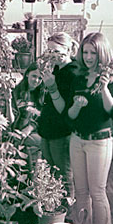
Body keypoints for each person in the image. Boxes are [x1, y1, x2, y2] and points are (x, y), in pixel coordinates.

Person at [66, 32, 113, 224]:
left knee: (97, 192)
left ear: (102, 54)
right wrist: (76, 107)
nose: (88, 57)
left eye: (93, 53)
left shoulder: (112, 78)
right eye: (85, 52)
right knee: (81, 192)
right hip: (77, 140)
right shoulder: (78, 77)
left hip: (100, 142)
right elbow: (69, 116)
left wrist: (104, 87)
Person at [37, 32, 79, 205]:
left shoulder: (73, 73)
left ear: (68, 50)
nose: (52, 55)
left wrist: (52, 88)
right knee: (50, 172)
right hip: (48, 129)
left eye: (56, 51)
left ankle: (67, 215)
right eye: (49, 51)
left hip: (61, 132)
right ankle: (52, 210)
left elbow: (66, 111)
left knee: (63, 174)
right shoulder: (56, 68)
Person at [12, 62, 45, 165]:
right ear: (27, 74)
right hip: (17, 131)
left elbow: (41, 117)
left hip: (32, 131)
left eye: (40, 78)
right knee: (43, 144)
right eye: (34, 76)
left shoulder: (41, 95)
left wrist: (29, 129)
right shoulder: (16, 92)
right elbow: (11, 115)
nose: (36, 80)